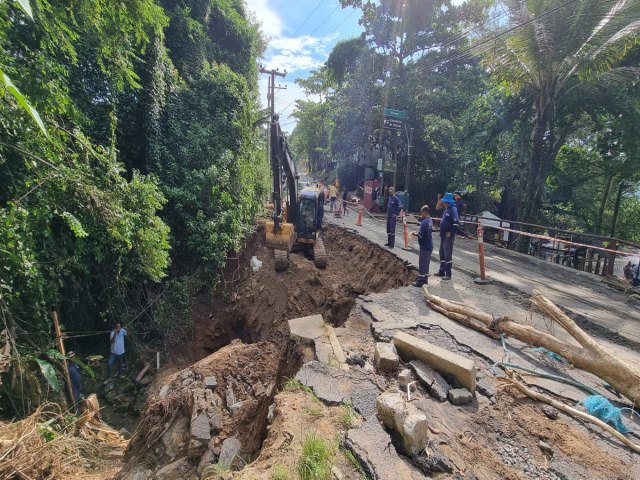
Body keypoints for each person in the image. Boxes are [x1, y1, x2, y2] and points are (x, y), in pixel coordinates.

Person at [434, 192, 459, 280]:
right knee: (442, 254)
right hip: (443, 236)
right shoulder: (447, 209)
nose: (443, 203)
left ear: (447, 202)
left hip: (448, 237)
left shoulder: (453, 209)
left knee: (447, 255)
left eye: (444, 202)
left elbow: (456, 223)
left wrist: (451, 233)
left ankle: (448, 274)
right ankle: (441, 271)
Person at [411, 205, 433, 287]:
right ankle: (425, 279)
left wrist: (415, 234)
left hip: (425, 246)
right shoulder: (430, 220)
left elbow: (421, 235)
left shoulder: (424, 222)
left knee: (422, 264)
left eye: (421, 212)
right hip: (429, 245)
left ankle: (420, 281)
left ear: (424, 212)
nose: (421, 214)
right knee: (426, 263)